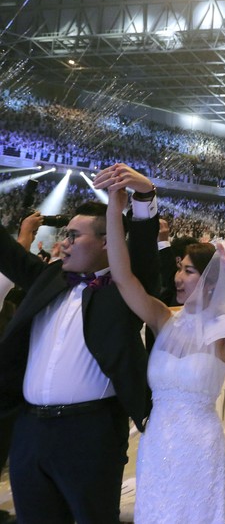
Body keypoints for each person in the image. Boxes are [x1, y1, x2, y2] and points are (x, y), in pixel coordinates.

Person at [101, 175, 225, 524]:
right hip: (157, 443)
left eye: (188, 271)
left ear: (210, 281)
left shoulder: (222, 332)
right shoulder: (163, 318)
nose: (178, 277)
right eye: (179, 268)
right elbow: (122, 277)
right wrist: (113, 214)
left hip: (200, 447)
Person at [0, 164, 158, 523]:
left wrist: (144, 197)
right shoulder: (48, 278)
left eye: (74, 236)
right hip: (30, 431)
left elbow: (145, 256)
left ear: (108, 242)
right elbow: (6, 251)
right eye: (65, 234)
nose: (63, 242)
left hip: (90, 433)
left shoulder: (125, 291)